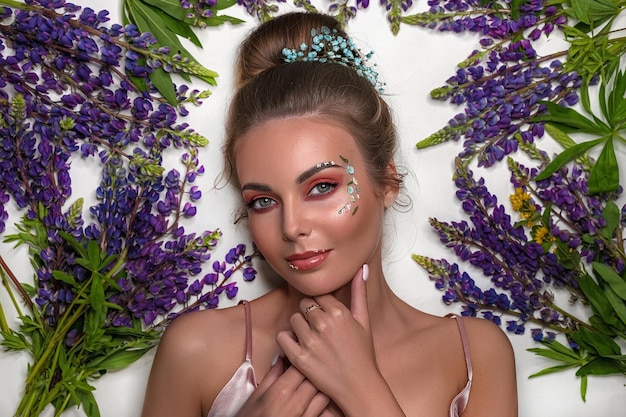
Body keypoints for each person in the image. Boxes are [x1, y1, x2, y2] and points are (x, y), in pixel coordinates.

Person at [141, 11, 517, 417]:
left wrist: (363, 390)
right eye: (263, 201)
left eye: (321, 187)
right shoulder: (196, 350)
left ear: (387, 182)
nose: (292, 227)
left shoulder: (473, 355)